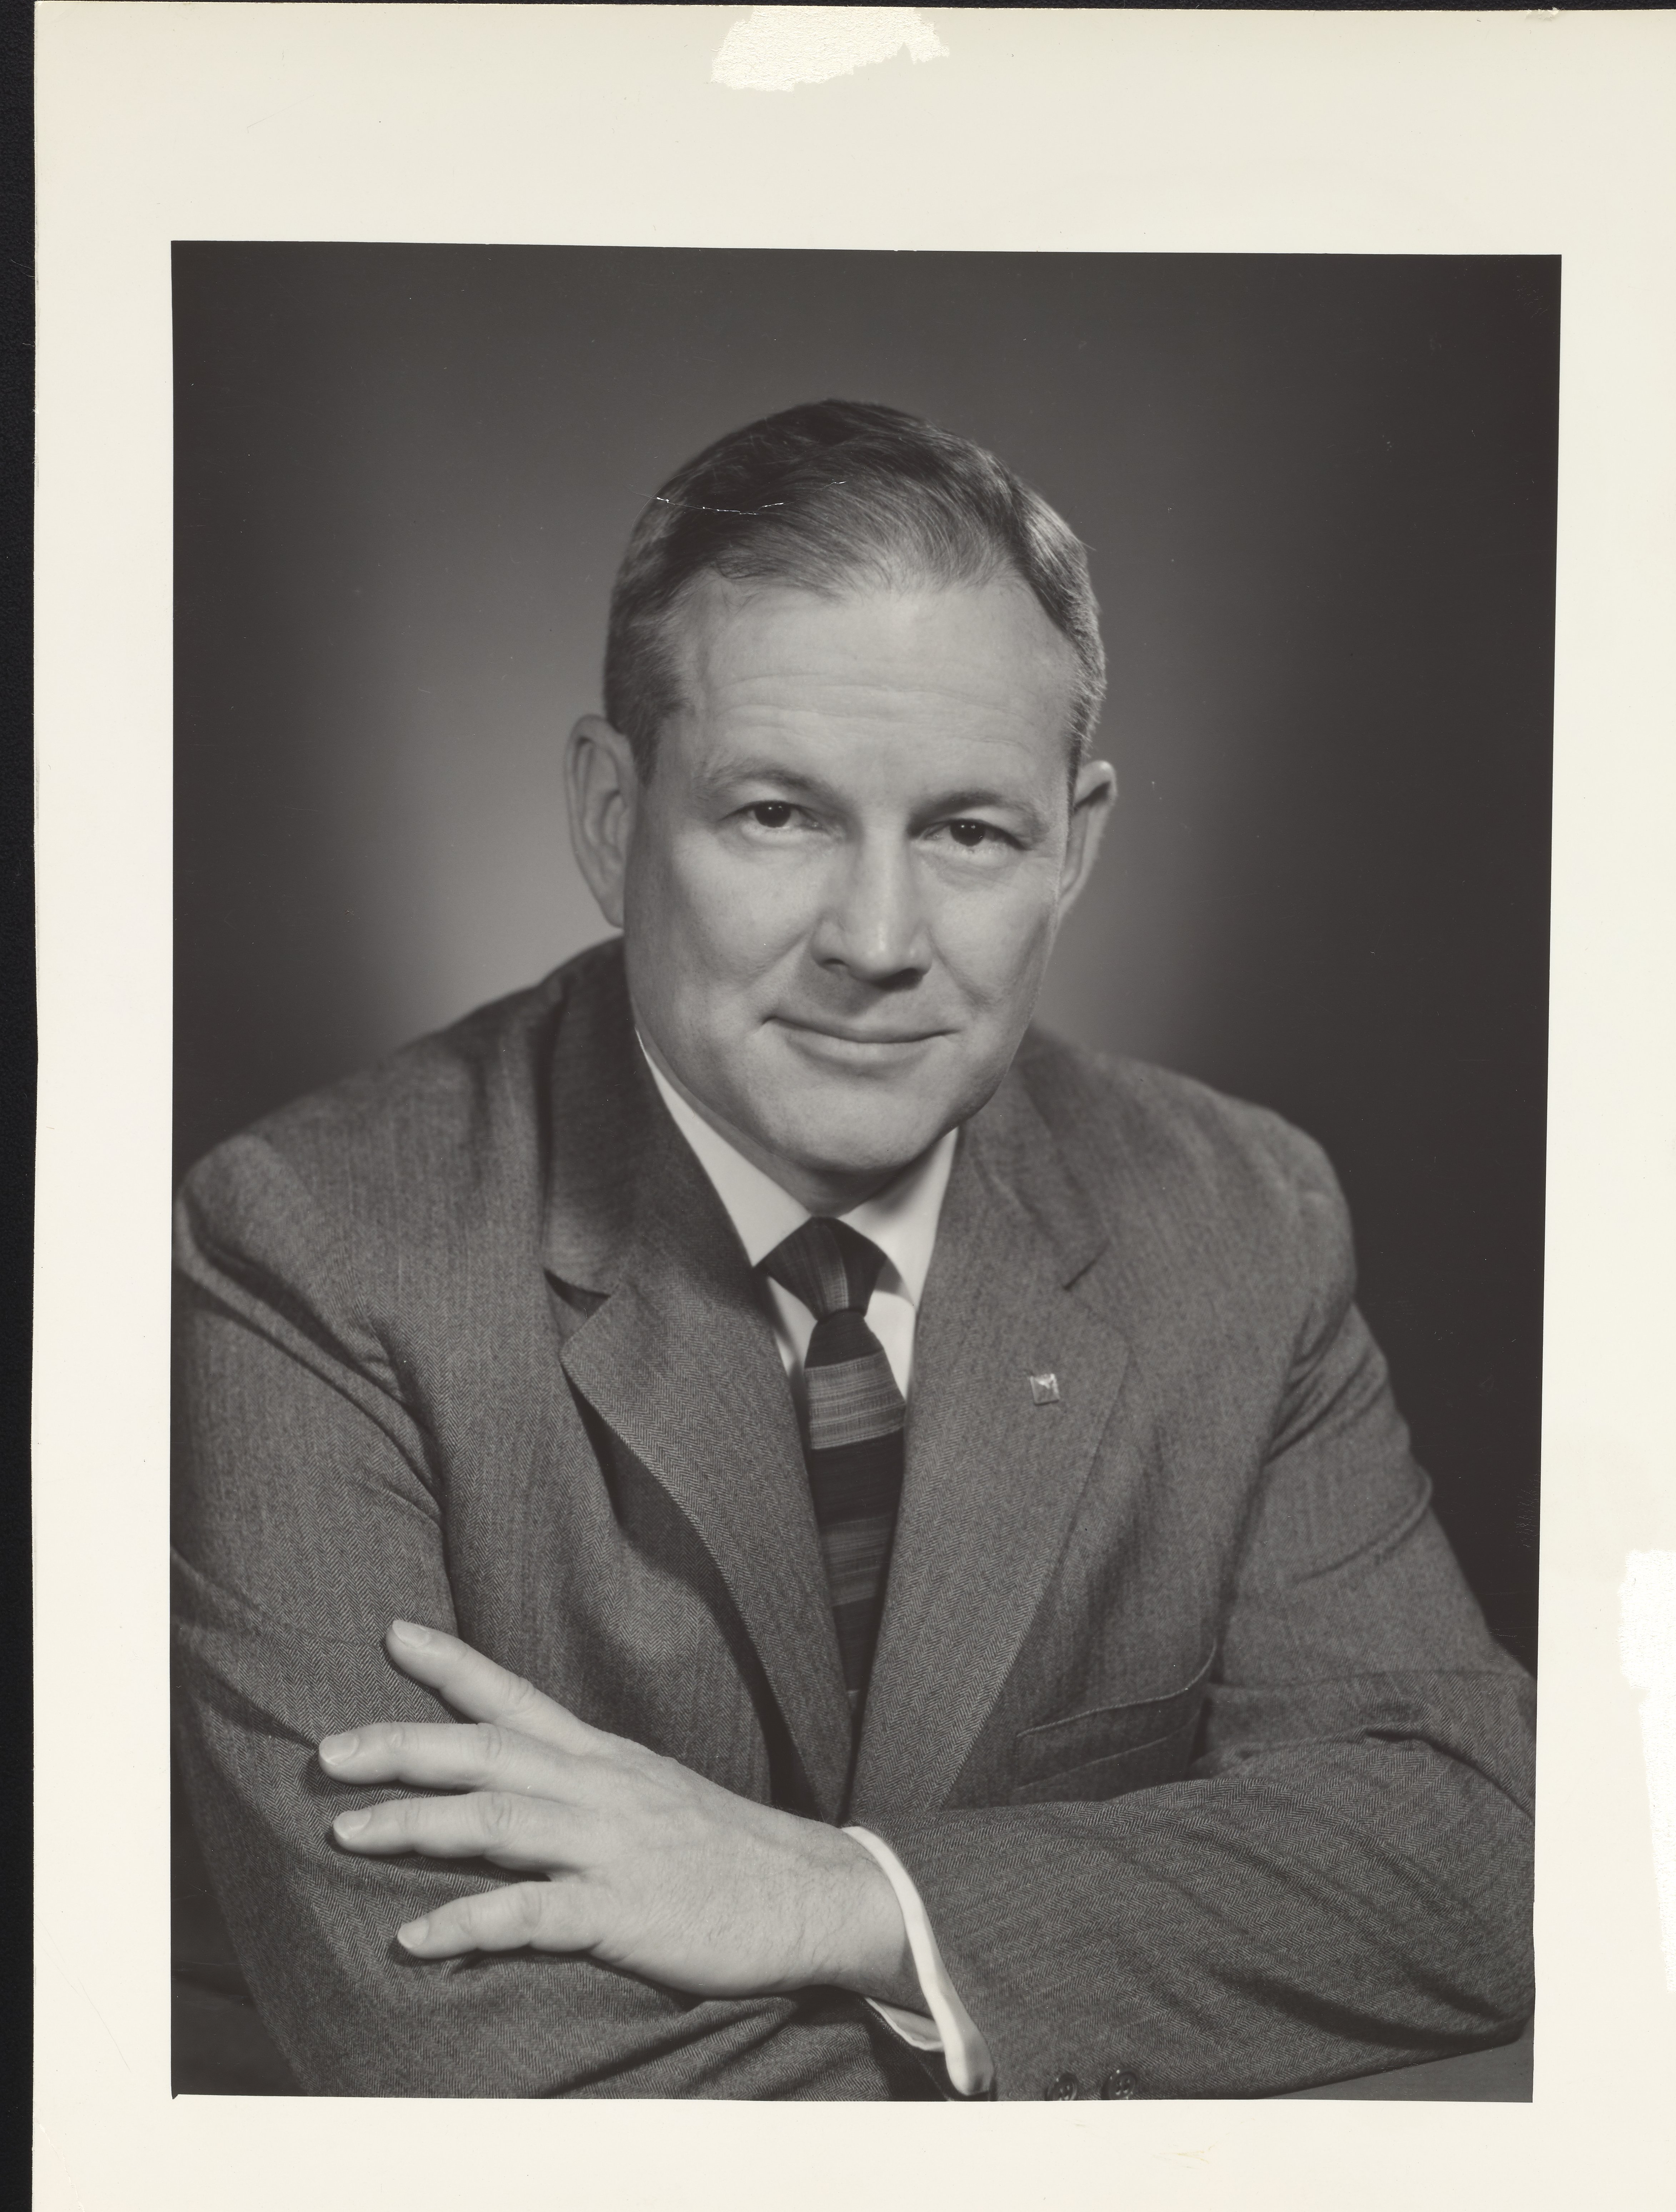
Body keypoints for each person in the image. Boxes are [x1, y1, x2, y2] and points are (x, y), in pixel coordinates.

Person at [171, 399, 1536, 2101]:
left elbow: (1476, 1862)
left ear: (1075, 848)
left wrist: (852, 1898)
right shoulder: (315, 1248)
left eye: (970, 831)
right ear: (611, 815)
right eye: (778, 816)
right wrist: (1113, 1995)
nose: (879, 942)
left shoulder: (1241, 1217)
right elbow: (451, 2047)